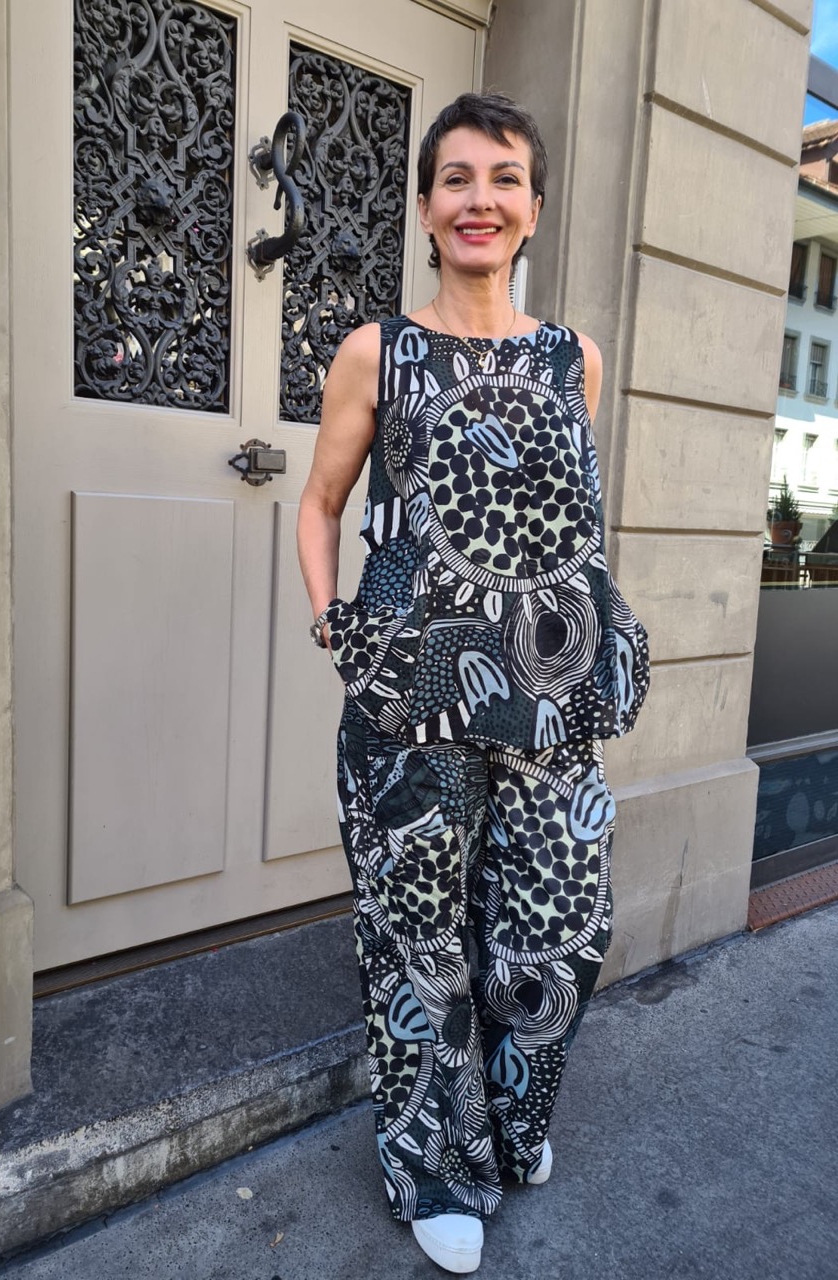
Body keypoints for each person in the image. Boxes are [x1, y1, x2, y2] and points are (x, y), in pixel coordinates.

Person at [297, 92, 649, 1275]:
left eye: (503, 179)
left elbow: (563, 525)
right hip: (410, 708)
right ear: (426, 208)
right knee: (420, 947)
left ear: (534, 207)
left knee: (563, 931)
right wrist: (336, 626)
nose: (479, 200)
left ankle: (510, 1119)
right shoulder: (377, 352)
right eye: (456, 178)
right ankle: (438, 1167)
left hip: (551, 705)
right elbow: (319, 505)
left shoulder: (573, 357)